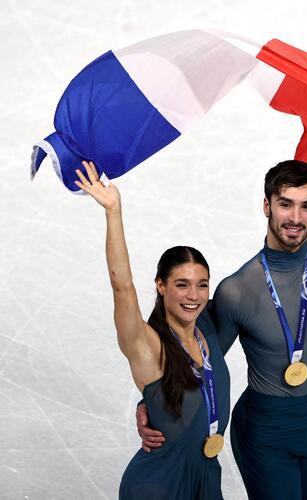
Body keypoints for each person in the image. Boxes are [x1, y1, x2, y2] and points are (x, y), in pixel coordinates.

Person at [137, 74, 307, 499]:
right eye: (285, 204)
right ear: (267, 206)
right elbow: (199, 360)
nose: (295, 218)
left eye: (306, 206)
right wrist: (151, 403)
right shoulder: (238, 290)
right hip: (265, 433)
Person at [74, 163, 230, 500]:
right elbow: (122, 287)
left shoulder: (208, 329)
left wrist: (305, 245)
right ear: (161, 286)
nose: (193, 295)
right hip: (159, 485)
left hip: (206, 478)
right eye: (182, 285)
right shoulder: (148, 346)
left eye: (202, 285)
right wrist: (113, 212)